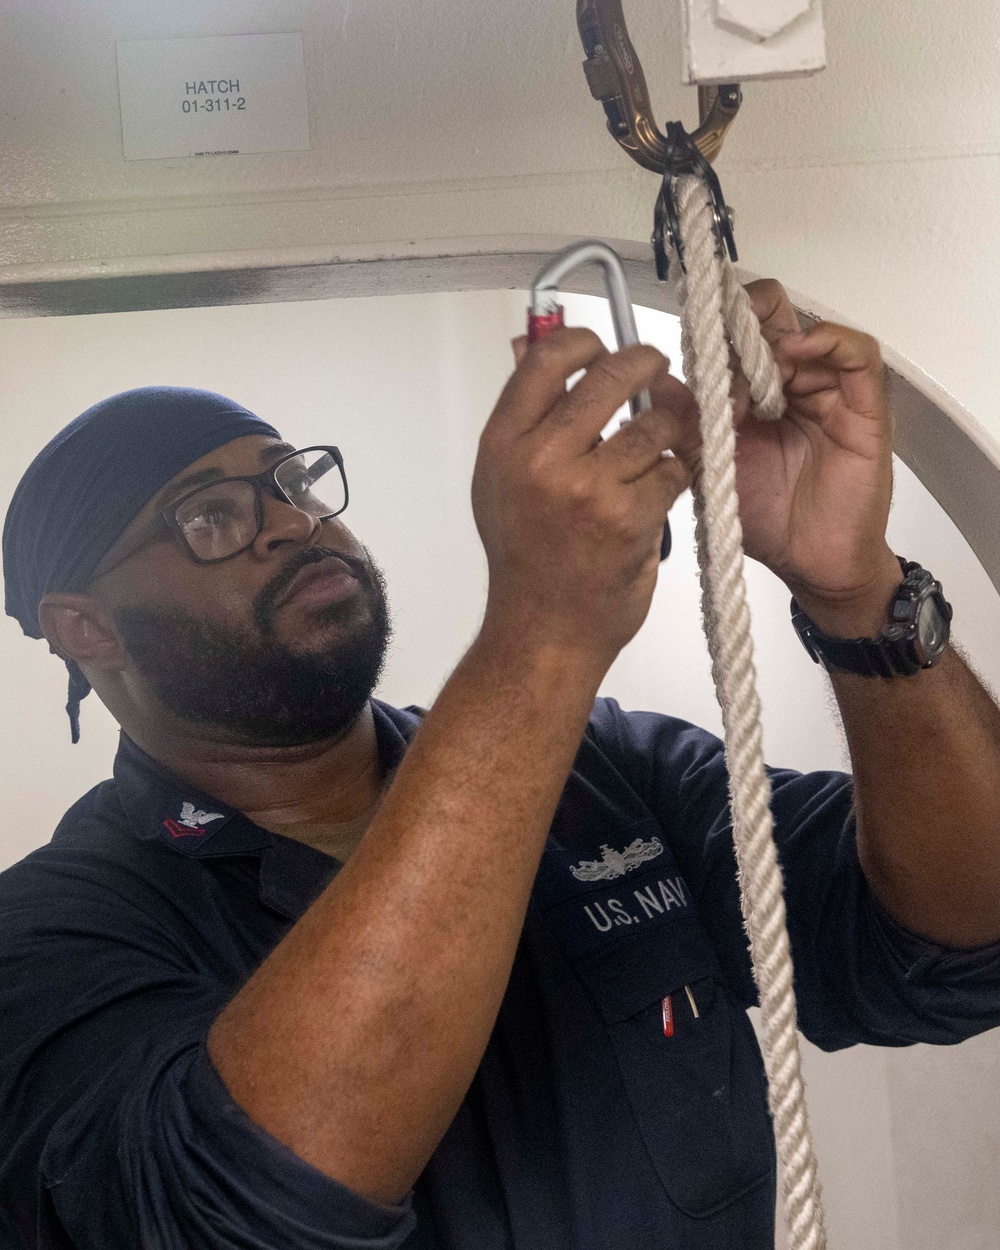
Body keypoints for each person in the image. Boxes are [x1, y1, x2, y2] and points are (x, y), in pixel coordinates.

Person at [1, 279, 998, 1250]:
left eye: (290, 481)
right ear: (88, 629)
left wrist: (855, 590)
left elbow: (952, 940)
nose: (290, 520)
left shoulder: (607, 769)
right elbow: (238, 1206)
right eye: (209, 516)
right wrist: (542, 634)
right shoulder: (53, 935)